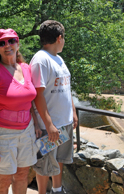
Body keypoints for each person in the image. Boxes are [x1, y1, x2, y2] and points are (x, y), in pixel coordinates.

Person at [0, 28, 40, 194]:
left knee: (22, 176)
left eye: (11, 41)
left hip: (26, 132)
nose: (8, 45)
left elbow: (30, 100)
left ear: (18, 44)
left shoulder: (26, 69)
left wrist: (35, 124)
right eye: (2, 43)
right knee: (3, 181)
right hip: (2, 134)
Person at [30, 20, 78, 194]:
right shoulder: (40, 60)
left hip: (63, 123)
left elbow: (66, 87)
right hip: (48, 126)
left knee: (59, 159)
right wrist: (49, 125)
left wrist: (72, 111)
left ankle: (57, 190)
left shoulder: (58, 58)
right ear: (59, 38)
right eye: (64, 38)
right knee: (44, 163)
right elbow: (37, 95)